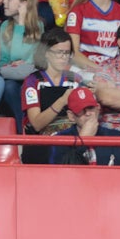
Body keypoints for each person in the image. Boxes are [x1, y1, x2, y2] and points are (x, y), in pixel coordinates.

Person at [20, 29, 82, 163]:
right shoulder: (33, 81)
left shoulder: (76, 80)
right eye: (59, 52)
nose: (64, 57)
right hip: (42, 143)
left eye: (67, 53)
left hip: (71, 141)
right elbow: (36, 123)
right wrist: (62, 100)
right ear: (46, 53)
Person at [49, 87, 120, 166]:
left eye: (91, 108)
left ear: (98, 109)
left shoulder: (116, 137)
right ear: (71, 116)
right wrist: (82, 141)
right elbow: (62, 175)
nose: (88, 113)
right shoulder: (60, 140)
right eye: (81, 110)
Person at [0, 0, 45, 116]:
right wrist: (10, 64)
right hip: (12, 75)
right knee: (10, 87)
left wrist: (22, 22)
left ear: (24, 3)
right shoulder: (5, 26)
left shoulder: (38, 26)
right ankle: (21, 129)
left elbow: (22, 56)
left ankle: (27, 127)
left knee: (26, 87)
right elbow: (3, 60)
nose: (4, 2)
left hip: (31, 75)